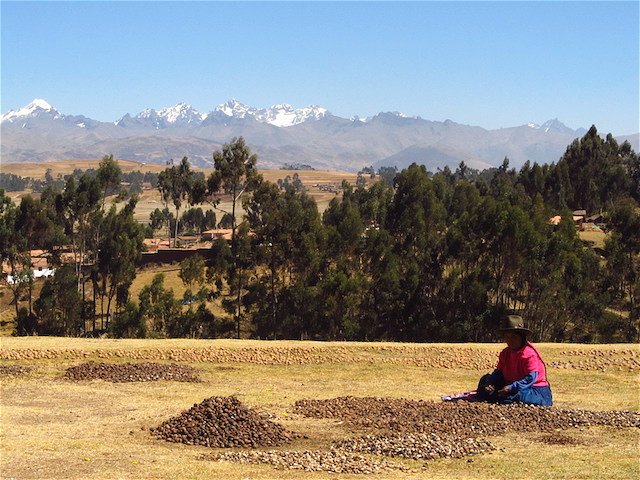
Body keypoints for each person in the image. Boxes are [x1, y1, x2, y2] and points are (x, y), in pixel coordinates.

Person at [476, 314, 553, 406]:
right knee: (484, 381)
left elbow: (530, 378)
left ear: (522, 337)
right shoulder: (505, 353)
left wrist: (510, 388)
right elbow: (499, 372)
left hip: (533, 388)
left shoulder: (528, 354)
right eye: (507, 337)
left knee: (518, 396)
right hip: (510, 385)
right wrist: (490, 382)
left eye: (514, 337)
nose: (510, 340)